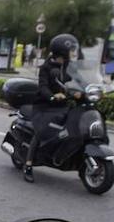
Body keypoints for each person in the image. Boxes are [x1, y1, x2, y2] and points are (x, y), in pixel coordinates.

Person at [23, 33, 79, 184]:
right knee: (40, 132)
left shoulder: (69, 65)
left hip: (63, 105)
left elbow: (78, 79)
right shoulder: (46, 67)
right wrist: (52, 97)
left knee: (76, 125)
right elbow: (43, 87)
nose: (74, 53)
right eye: (71, 50)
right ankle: (28, 165)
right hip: (45, 106)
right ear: (61, 50)